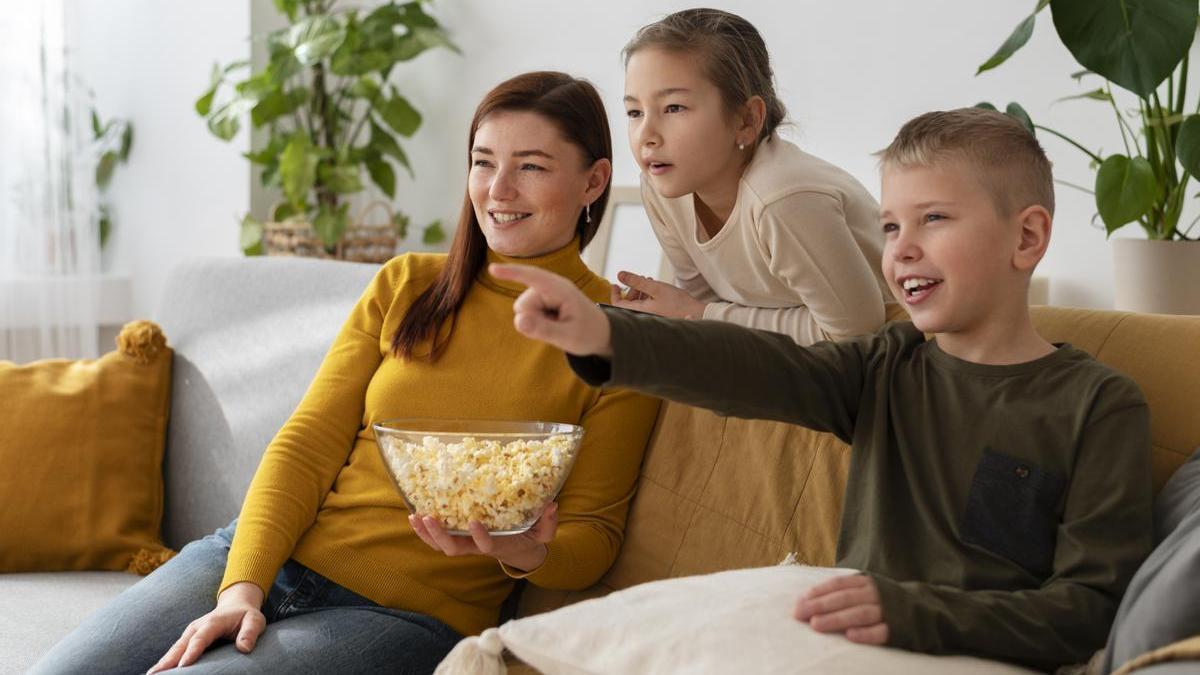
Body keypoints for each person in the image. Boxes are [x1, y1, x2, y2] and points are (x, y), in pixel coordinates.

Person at [31, 72, 660, 675]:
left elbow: (594, 538)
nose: (497, 190)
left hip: (402, 616)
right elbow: (307, 442)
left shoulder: (615, 339)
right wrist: (241, 586)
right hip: (259, 557)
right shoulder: (408, 284)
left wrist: (523, 551)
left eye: (531, 166)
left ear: (593, 181)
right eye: (483, 161)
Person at [491, 107, 1152, 671]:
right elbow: (756, 366)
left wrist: (912, 609)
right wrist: (605, 333)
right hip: (844, 648)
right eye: (892, 226)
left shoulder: (1098, 405)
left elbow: (1089, 607)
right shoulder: (885, 367)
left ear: (1027, 236)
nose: (902, 249)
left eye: (934, 219)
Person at [612, 8, 889, 345]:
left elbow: (855, 333)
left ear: (746, 120)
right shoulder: (663, 189)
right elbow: (706, 309)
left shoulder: (782, 200)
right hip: (788, 360)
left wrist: (699, 315)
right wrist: (691, 314)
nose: (647, 135)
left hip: (887, 362)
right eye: (634, 112)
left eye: (674, 108)